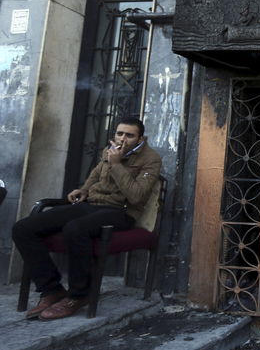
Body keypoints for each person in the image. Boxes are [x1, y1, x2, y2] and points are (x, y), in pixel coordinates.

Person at [12, 117, 162, 320]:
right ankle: (51, 289)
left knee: (75, 228)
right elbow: (95, 174)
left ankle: (79, 295)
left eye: (130, 135)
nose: (123, 139)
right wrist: (83, 189)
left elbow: (136, 196)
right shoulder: (108, 150)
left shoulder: (151, 159)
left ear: (140, 138)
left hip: (121, 212)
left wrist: (117, 164)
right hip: (90, 205)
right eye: (120, 133)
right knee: (23, 228)